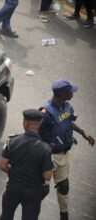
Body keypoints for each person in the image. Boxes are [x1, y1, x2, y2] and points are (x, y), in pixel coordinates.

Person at [39, 79, 94, 220]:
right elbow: (35, 134)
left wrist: (83, 133)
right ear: (63, 94)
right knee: (41, 191)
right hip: (48, 157)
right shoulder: (45, 113)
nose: (73, 93)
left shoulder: (67, 107)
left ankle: (64, 216)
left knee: (64, 187)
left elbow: (69, 121)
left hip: (63, 156)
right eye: (70, 91)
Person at [0, 109, 54, 220]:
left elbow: (3, 165)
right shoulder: (45, 149)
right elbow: (47, 176)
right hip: (33, 192)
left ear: (25, 123)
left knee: (6, 216)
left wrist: (13, 174)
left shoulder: (12, 141)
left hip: (13, 187)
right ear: (39, 124)